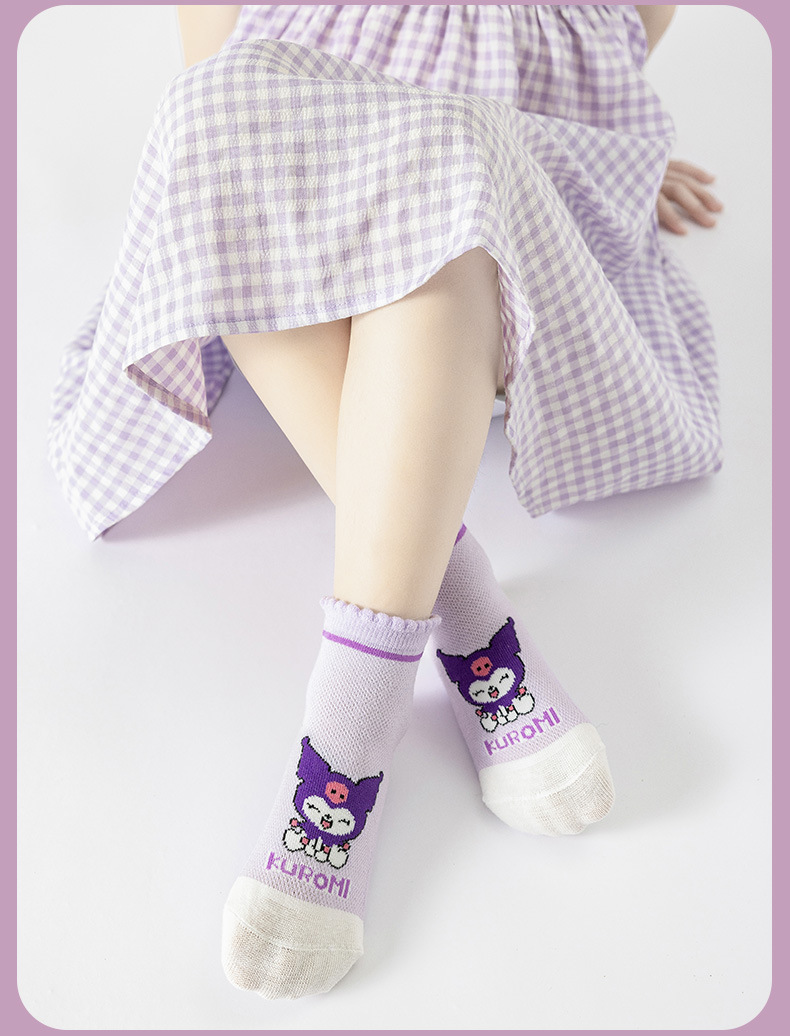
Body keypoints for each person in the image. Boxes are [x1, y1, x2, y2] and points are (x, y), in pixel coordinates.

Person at [47, 4, 724, 1001]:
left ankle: (346, 744)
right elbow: (212, 70)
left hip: (496, 169)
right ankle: (470, 619)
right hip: (308, 124)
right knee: (218, 134)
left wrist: (610, 139)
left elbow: (633, 20)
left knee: (451, 170)